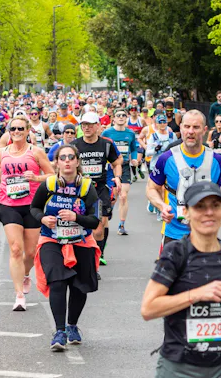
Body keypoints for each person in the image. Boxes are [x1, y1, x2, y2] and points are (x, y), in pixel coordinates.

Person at [141, 181, 221, 378]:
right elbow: (148, 308)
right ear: (186, 212)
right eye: (200, 207)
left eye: (215, 206)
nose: (208, 212)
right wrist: (196, 294)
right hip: (179, 365)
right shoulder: (176, 253)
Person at [31, 144, 100, 351]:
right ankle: (59, 331)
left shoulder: (87, 187)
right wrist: (43, 218)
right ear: (57, 162)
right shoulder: (49, 184)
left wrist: (75, 217)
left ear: (77, 162)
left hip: (80, 240)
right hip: (52, 240)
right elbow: (34, 208)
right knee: (58, 281)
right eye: (63, 157)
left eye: (71, 157)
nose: (67, 161)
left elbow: (95, 220)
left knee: (79, 286)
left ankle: (72, 326)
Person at [0, 116, 54, 310]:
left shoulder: (36, 152)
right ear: (8, 131)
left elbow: (52, 175)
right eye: (13, 128)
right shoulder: (1, 153)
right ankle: (19, 295)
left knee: (30, 252)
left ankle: (25, 275)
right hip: (9, 204)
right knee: (16, 248)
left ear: (27, 131)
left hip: (32, 205)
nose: (16, 132)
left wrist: (37, 177)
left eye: (20, 129)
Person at [147, 110, 221, 254]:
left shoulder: (216, 160)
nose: (190, 131)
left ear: (205, 130)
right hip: (173, 234)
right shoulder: (167, 158)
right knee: (169, 276)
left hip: (206, 235)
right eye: (187, 127)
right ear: (180, 128)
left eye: (196, 127)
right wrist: (162, 206)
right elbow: (151, 188)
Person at [71, 111, 121, 269]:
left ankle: (98, 254)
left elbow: (117, 161)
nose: (86, 128)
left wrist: (117, 177)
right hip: (80, 190)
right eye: (83, 125)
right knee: (79, 224)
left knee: (99, 228)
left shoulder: (106, 144)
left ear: (97, 126)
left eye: (90, 125)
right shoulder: (74, 145)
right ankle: (90, 261)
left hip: (100, 190)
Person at [102, 108, 140, 236]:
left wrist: (134, 159)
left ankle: (121, 225)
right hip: (111, 167)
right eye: (119, 115)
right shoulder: (107, 132)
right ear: (114, 118)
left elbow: (133, 148)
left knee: (123, 196)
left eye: (124, 115)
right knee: (113, 196)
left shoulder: (130, 133)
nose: (121, 117)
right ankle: (109, 209)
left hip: (124, 166)